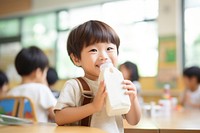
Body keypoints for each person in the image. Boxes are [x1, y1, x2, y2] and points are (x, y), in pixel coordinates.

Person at [54, 20, 141, 133]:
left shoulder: (118, 83)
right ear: (76, 58)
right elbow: (59, 117)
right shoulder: (75, 85)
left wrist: (133, 99)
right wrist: (94, 106)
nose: (104, 57)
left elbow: (133, 121)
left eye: (109, 49)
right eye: (93, 50)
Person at [7, 46, 57, 122]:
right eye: (45, 71)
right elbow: (56, 115)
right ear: (38, 72)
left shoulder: (11, 92)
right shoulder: (41, 89)